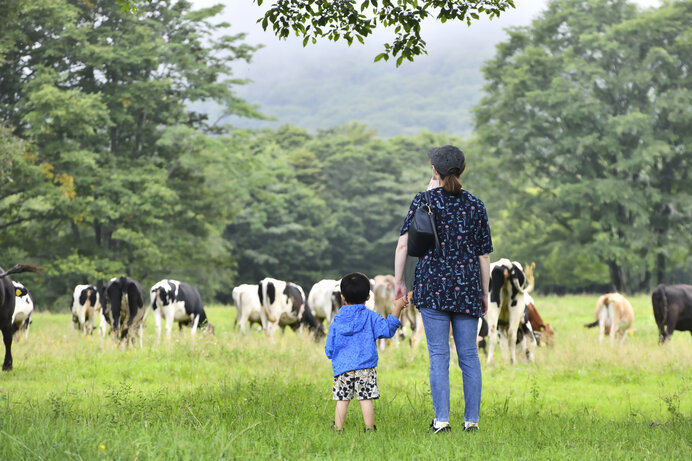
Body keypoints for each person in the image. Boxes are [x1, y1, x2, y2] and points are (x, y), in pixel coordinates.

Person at [394, 145, 492, 433]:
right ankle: (471, 422)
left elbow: (403, 244)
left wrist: (400, 281)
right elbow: (483, 256)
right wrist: (484, 293)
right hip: (466, 289)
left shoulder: (423, 200)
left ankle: (441, 421)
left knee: (438, 355)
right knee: (469, 356)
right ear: (461, 171)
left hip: (432, 286)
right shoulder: (476, 205)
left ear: (434, 170)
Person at [325, 272, 408, 432]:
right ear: (368, 297)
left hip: (343, 369)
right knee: (365, 399)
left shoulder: (337, 320)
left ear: (342, 297)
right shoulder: (371, 317)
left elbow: (330, 347)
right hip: (366, 368)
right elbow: (388, 330)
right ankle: (369, 428)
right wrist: (397, 307)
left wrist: (331, 354)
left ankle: (338, 428)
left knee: (342, 400)